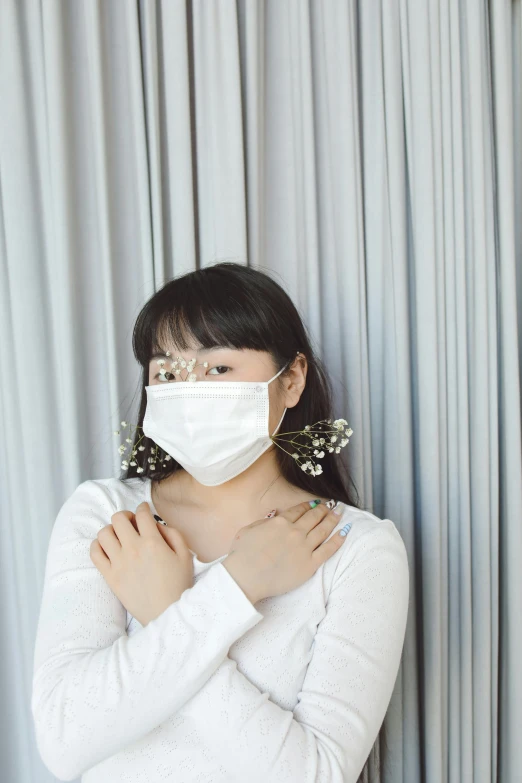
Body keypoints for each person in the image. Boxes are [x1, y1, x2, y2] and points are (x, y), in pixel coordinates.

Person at [31, 262, 409, 782]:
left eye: (217, 369)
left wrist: (167, 609)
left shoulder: (356, 547)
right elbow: (63, 738)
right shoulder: (106, 517)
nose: (188, 391)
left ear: (292, 379)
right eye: (166, 372)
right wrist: (236, 587)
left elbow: (315, 775)